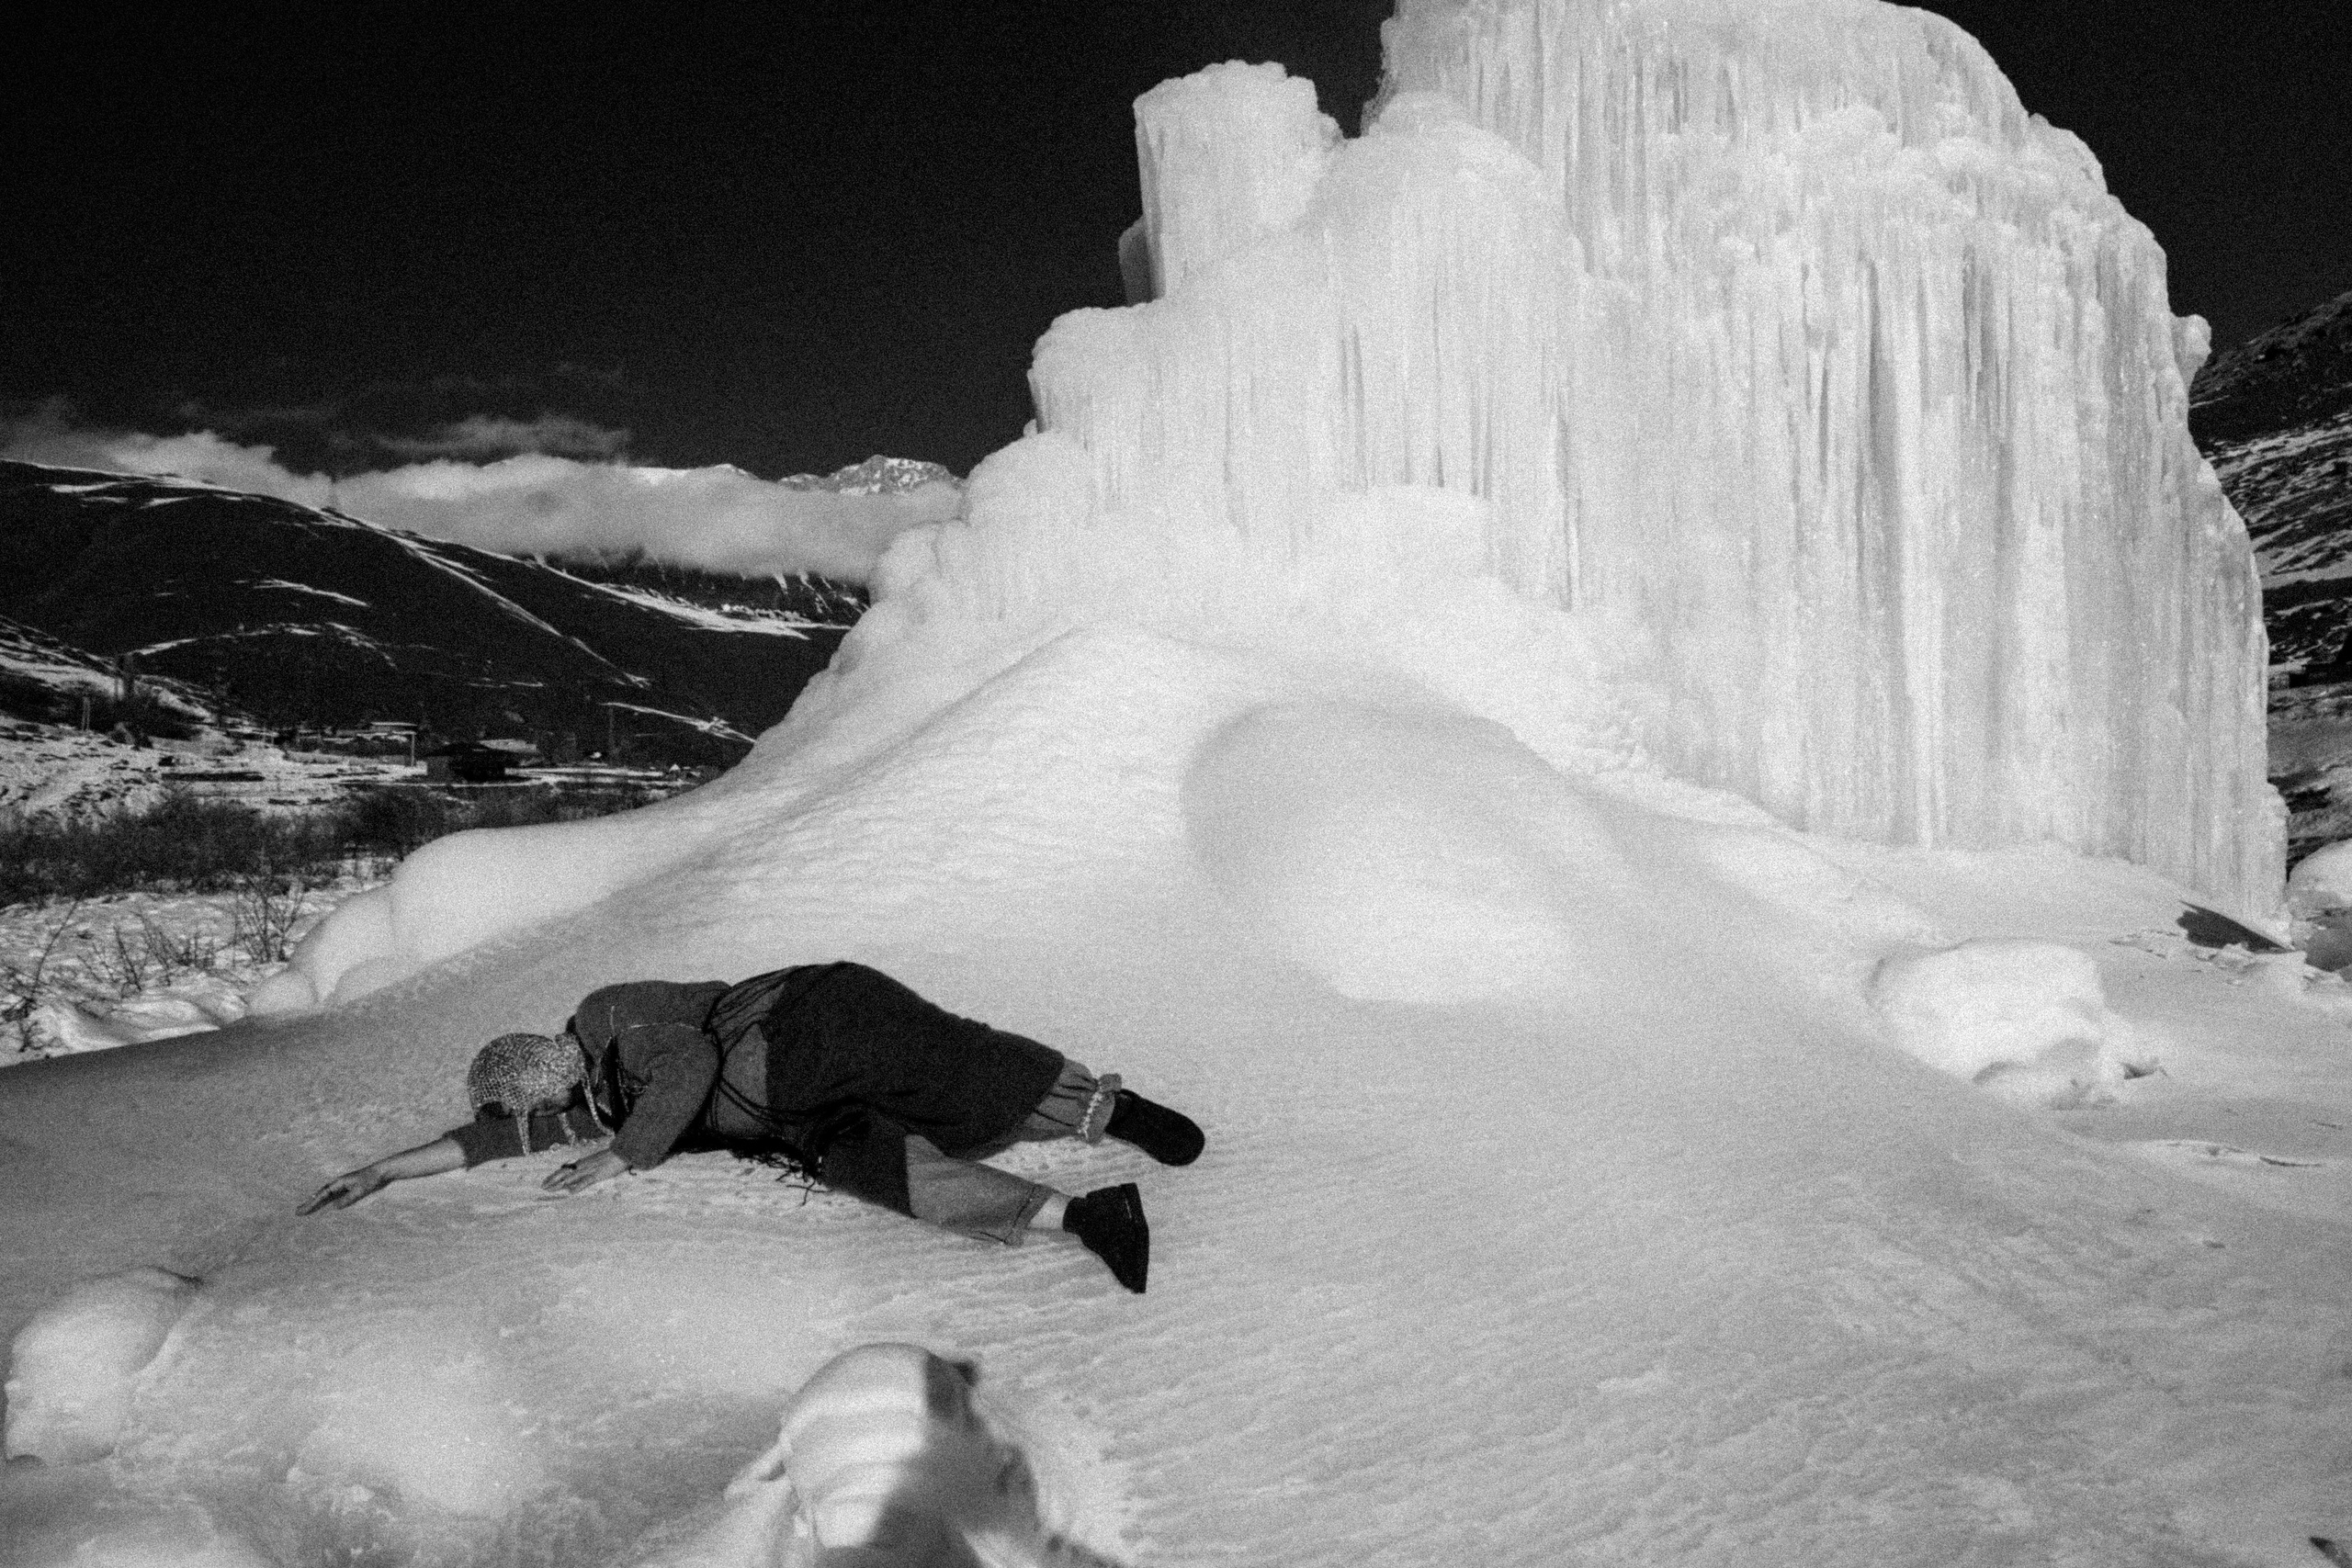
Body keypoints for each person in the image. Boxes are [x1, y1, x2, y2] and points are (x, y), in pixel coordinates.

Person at [297, 962, 1203, 1293]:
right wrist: (383, 1171)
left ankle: (1105, 1110)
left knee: (955, 1074)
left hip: (798, 1022)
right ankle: (1090, 1219)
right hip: (796, 1116)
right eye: (543, 1113)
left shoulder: (606, 1017)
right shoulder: (582, 1104)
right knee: (886, 1174)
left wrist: (622, 1158)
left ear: (546, 1061)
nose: (548, 1118)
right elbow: (489, 1139)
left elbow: (688, 1059)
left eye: (541, 1102)